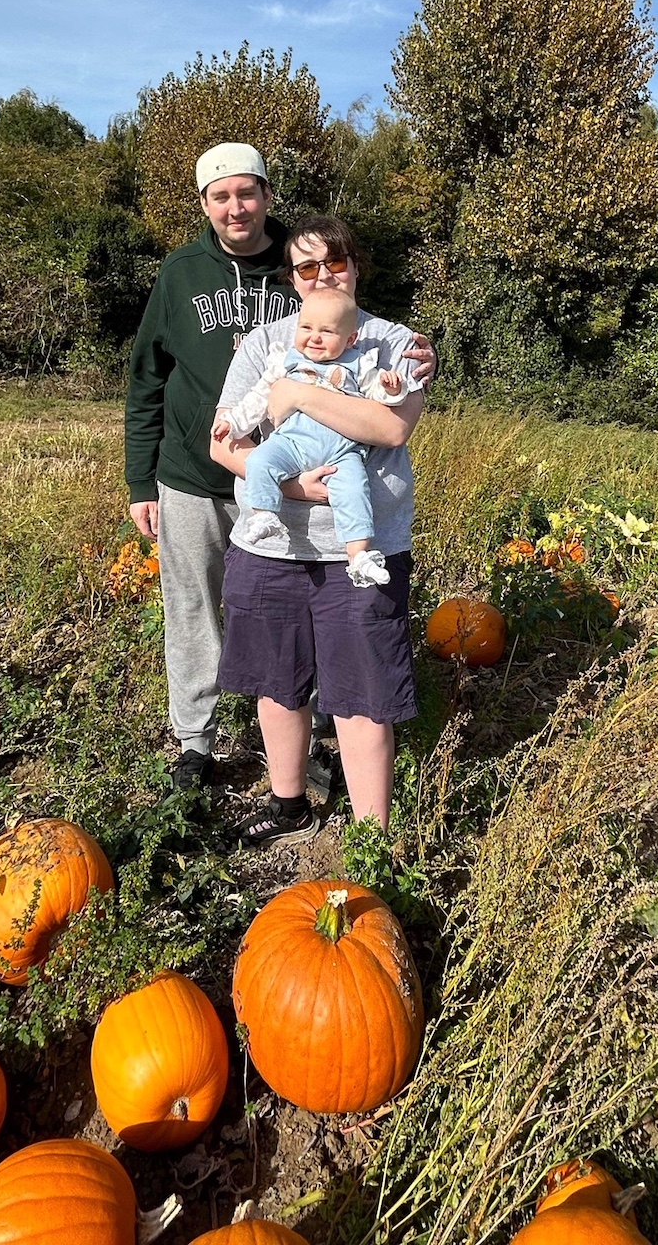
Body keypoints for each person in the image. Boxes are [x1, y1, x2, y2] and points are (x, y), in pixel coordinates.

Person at [124, 145, 434, 793]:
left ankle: (325, 748)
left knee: (308, 633)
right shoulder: (185, 274)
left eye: (246, 193)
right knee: (203, 617)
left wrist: (315, 392)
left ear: (266, 196)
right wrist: (139, 477)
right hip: (200, 472)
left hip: (308, 490)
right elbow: (147, 378)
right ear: (205, 204)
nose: (235, 207)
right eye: (220, 196)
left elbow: (391, 414)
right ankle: (197, 744)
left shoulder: (339, 301)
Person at [209, 215, 425, 847]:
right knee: (278, 682)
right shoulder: (261, 344)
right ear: (292, 279)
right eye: (307, 267)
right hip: (271, 541)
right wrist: (289, 488)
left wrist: (296, 396)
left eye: (335, 262)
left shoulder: (394, 342)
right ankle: (288, 803)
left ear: (355, 267)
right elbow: (226, 442)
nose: (323, 275)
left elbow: (391, 428)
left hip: (364, 546)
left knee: (363, 694)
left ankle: (371, 840)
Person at [215, 287, 403, 588]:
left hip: (342, 452)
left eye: (327, 331)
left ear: (350, 339)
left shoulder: (361, 363)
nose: (314, 337)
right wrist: (233, 422)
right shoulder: (285, 361)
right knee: (261, 459)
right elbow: (258, 398)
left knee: (355, 490)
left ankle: (359, 555)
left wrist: (392, 389)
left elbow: (379, 400)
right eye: (306, 328)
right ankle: (264, 515)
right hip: (291, 442)